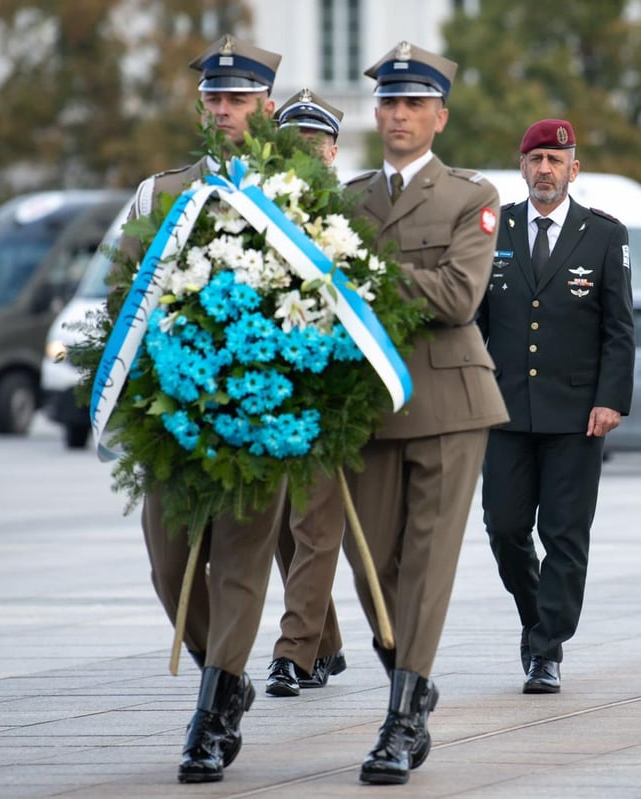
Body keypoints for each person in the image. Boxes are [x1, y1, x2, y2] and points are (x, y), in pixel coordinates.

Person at [339, 41, 508, 785]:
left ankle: (403, 721)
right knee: (373, 565)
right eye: (389, 103)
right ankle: (411, 675)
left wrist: (360, 275)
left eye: (413, 104)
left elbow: (458, 298)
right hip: (367, 407)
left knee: (429, 565)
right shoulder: (345, 202)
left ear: (439, 117)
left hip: (448, 399)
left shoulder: (472, 197)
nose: (399, 115)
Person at [119, 35, 286, 782]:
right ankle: (226, 670)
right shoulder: (163, 193)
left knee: (242, 565)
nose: (224, 110)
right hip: (178, 414)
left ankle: (213, 716)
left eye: (239, 99)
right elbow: (123, 296)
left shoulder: (297, 196)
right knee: (168, 562)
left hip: (262, 414)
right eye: (215, 98)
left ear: (266, 107)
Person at [476, 119, 635, 694]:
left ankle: (546, 650)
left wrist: (611, 399)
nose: (545, 169)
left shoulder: (603, 234)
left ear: (575, 168)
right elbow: (477, 323)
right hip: (506, 410)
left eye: (556, 159)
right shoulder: (496, 228)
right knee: (505, 526)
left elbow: (618, 328)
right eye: (536, 158)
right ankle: (535, 615)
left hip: (576, 413)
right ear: (522, 167)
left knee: (566, 533)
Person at [263, 89, 348, 698]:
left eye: (317, 141)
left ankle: (293, 654)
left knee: (316, 525)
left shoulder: (354, 216)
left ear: (335, 150)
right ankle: (325, 643)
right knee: (281, 530)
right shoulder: (255, 211)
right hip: (266, 394)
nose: (308, 151)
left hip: (328, 396)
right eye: (297, 141)